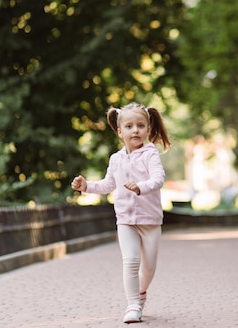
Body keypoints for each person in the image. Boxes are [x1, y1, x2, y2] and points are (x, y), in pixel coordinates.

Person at [71, 102, 171, 324]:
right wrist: (86, 186)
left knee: (149, 267)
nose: (135, 130)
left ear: (148, 128)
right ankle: (133, 303)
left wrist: (141, 187)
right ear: (120, 131)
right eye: (129, 126)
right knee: (131, 261)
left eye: (140, 125)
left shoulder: (150, 153)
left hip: (150, 220)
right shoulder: (116, 159)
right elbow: (108, 185)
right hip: (125, 220)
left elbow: (158, 179)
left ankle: (142, 292)